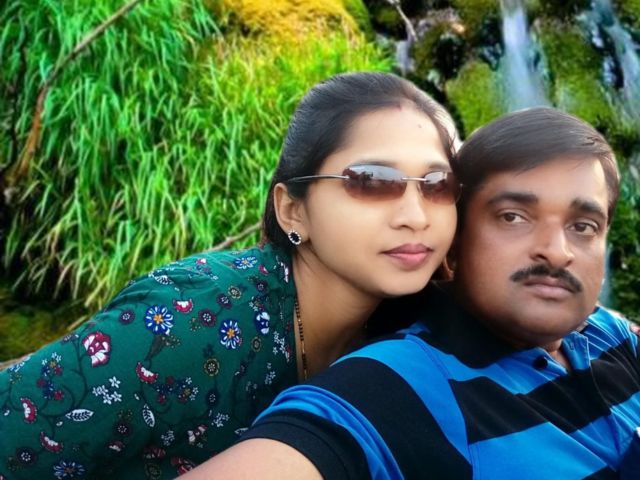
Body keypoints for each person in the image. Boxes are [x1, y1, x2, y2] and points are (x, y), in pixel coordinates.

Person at [0, 72, 462, 478]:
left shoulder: (414, 334)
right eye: (372, 180)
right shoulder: (185, 324)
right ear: (292, 210)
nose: (416, 216)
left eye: (438, 185)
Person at [183, 107, 640, 479]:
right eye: (512, 217)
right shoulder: (406, 384)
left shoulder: (609, 335)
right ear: (454, 240)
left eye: (584, 226)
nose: (557, 252)